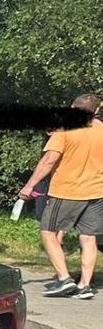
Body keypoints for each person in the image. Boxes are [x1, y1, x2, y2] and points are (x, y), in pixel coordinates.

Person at [19, 93, 103, 300]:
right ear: (97, 110)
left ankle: (65, 279)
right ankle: (85, 285)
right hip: (96, 191)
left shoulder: (66, 130)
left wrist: (29, 186)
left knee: (48, 231)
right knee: (88, 237)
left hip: (68, 190)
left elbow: (49, 160)